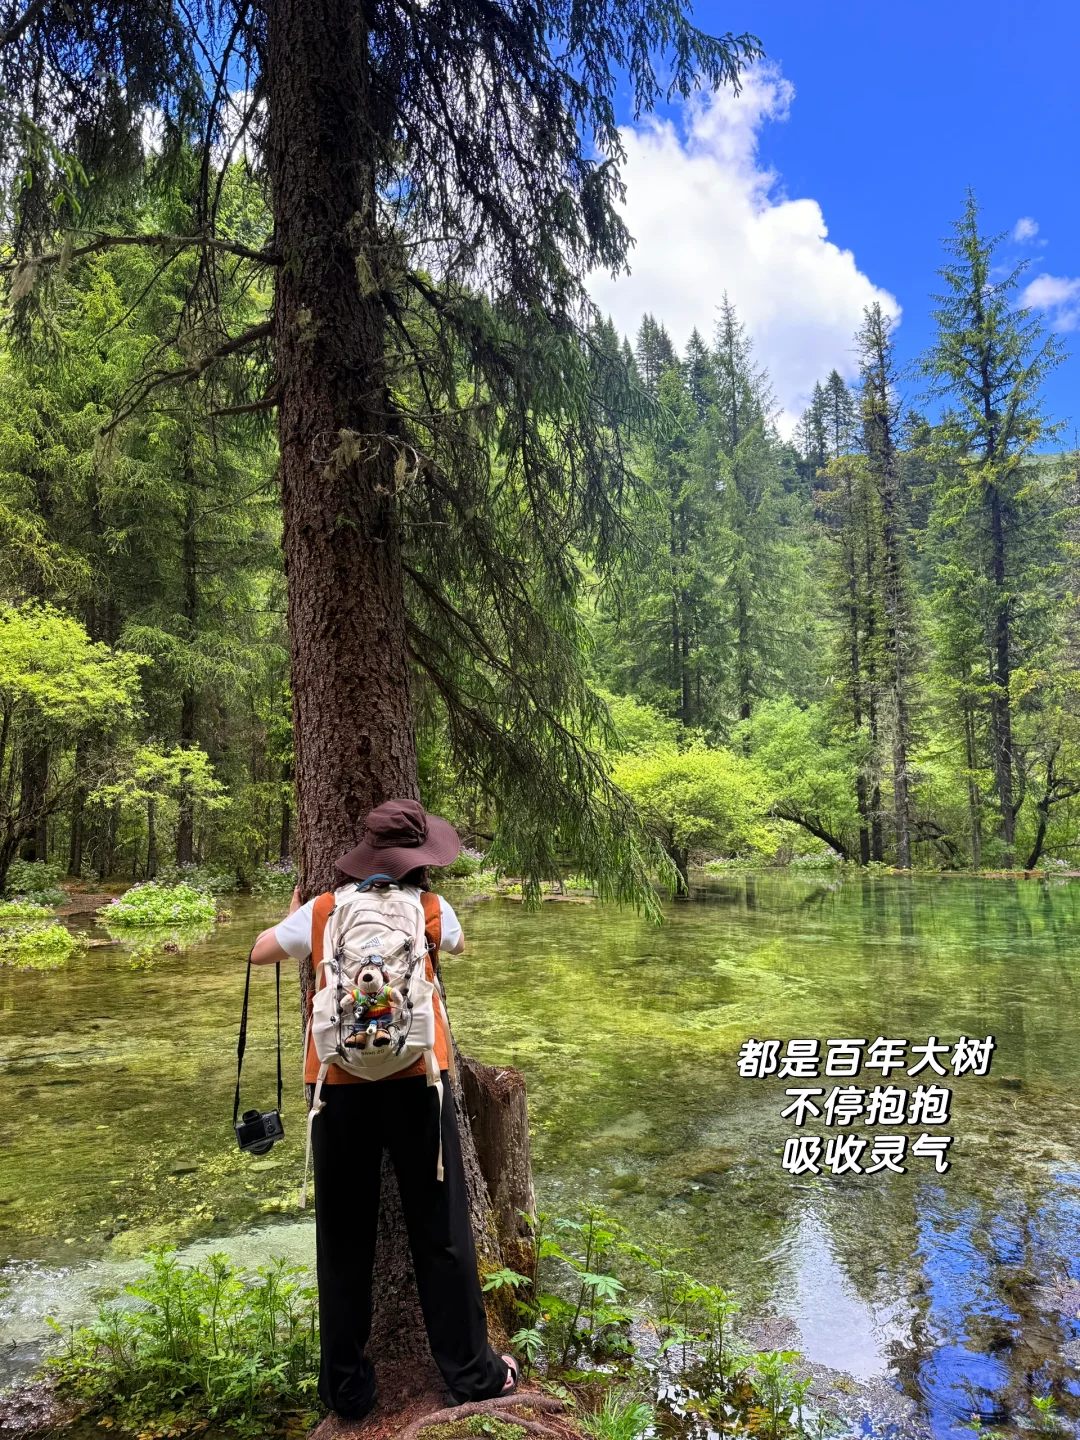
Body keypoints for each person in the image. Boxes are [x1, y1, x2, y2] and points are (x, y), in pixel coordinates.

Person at [250, 798, 517, 1421]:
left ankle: (346, 1392)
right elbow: (459, 945)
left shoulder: (323, 910)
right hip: (419, 1080)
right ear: (420, 860)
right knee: (441, 1232)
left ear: (365, 853)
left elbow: (260, 952)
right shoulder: (431, 908)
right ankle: (473, 1376)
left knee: (343, 1240)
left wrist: (293, 917)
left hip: (338, 1087)